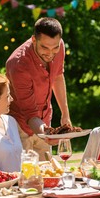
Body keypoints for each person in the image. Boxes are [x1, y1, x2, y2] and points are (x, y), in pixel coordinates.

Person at [6, 17, 71, 161]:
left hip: (44, 120)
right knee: (26, 178)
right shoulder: (19, 65)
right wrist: (46, 133)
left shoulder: (58, 45)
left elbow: (58, 76)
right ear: (34, 40)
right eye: (44, 48)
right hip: (19, 126)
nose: (50, 53)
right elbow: (30, 114)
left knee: (48, 174)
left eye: (55, 48)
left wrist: (65, 114)